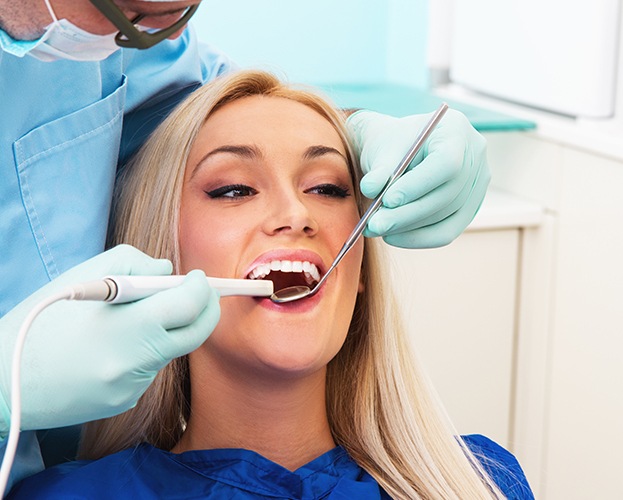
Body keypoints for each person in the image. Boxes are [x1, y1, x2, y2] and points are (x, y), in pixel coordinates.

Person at [0, 0, 491, 492]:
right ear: (162, 253)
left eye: (327, 188)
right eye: (233, 190)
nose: (297, 215)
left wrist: (355, 130)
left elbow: (233, 113)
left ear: (360, 268)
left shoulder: (480, 479)